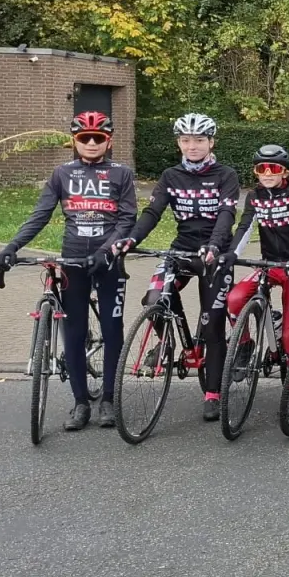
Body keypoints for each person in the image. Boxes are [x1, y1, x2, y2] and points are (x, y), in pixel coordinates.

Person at [0, 111, 136, 431]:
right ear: (74, 140)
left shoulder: (121, 174)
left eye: (97, 137)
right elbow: (40, 215)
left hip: (108, 261)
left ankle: (110, 400)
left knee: (113, 329)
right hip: (73, 260)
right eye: (84, 137)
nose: (90, 142)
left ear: (108, 140)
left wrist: (106, 252)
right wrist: (11, 247)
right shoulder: (62, 173)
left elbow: (127, 221)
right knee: (73, 332)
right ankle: (80, 403)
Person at [113, 113, 241, 423]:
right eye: (186, 140)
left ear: (211, 142)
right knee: (154, 300)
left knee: (213, 324)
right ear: (178, 143)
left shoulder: (226, 175)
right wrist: (131, 239)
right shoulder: (170, 175)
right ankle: (172, 342)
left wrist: (214, 245)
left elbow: (226, 217)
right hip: (181, 250)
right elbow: (152, 212)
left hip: (215, 254)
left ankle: (212, 393)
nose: (192, 146)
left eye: (199, 140)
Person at [227, 145, 289, 364]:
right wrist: (231, 254)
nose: (267, 174)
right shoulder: (254, 195)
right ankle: (245, 344)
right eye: (261, 168)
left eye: (273, 168)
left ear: (285, 172)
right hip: (268, 265)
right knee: (234, 300)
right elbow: (245, 226)